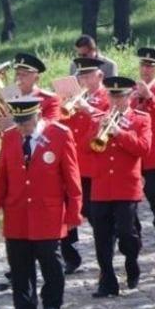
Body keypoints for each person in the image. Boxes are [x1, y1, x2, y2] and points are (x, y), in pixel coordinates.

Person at [0, 97, 82, 309]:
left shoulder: (59, 134)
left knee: (50, 262)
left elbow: (72, 177)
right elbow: (0, 179)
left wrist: (74, 211)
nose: (22, 127)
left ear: (37, 116)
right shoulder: (10, 137)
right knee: (19, 265)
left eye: (26, 122)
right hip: (17, 212)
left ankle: (51, 305)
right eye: (19, 122)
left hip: (48, 212)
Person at [87, 76, 150, 297]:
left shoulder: (140, 119)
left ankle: (132, 263)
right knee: (101, 237)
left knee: (127, 233)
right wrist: (98, 132)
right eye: (112, 96)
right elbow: (87, 148)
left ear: (130, 97)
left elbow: (144, 148)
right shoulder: (97, 118)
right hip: (102, 186)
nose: (115, 101)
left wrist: (120, 133)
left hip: (126, 186)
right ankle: (107, 281)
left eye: (120, 96)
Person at [62, 57, 111, 274]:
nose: (84, 80)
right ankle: (70, 257)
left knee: (93, 213)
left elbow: (109, 119)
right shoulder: (72, 98)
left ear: (99, 76)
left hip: (92, 165)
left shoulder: (108, 96)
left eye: (89, 76)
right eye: (81, 76)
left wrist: (88, 108)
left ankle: (107, 245)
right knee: (67, 211)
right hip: (71, 164)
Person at [130, 47, 155, 245]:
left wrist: (150, 97)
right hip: (134, 147)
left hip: (154, 146)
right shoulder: (131, 90)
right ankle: (134, 228)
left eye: (150, 66)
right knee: (132, 192)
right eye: (143, 65)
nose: (145, 70)